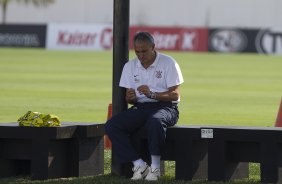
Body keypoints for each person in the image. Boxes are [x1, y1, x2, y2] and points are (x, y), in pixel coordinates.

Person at [105, 31, 184, 181]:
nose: (140, 55)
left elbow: (175, 95)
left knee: (155, 121)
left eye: (144, 51)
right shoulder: (130, 66)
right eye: (137, 51)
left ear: (153, 47)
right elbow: (130, 99)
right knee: (112, 126)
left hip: (166, 107)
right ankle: (139, 164)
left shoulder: (168, 62)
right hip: (141, 108)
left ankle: (155, 167)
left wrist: (153, 94)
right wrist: (130, 98)